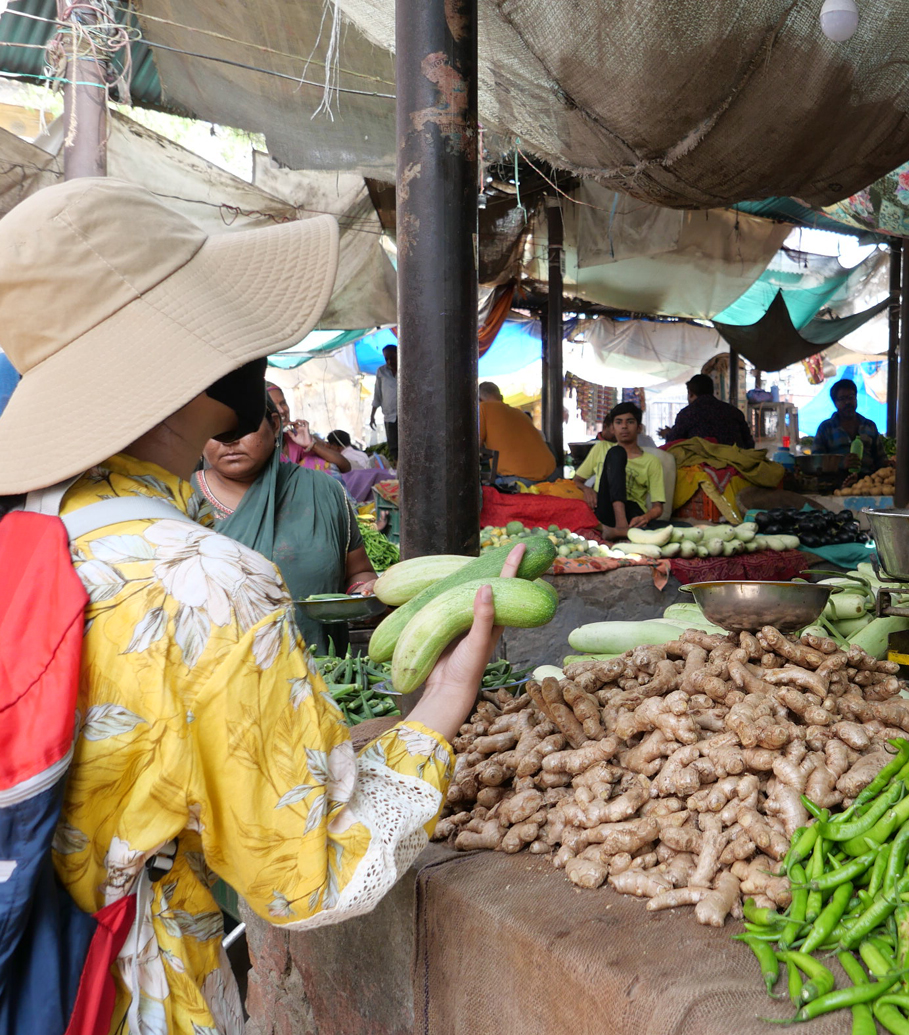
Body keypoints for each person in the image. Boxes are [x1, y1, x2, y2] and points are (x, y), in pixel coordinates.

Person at [0, 177, 520, 1034]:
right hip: (122, 999)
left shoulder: (40, 524)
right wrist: (438, 712)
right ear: (181, 358)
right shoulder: (202, 579)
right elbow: (308, 872)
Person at [195, 400, 377, 646]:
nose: (229, 440)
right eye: (214, 428)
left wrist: (364, 592)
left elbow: (358, 572)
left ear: (275, 424)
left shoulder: (323, 491)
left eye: (243, 426)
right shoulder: (180, 499)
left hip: (323, 674)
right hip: (215, 675)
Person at [574, 401, 667, 539]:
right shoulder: (601, 448)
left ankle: (618, 531)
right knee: (617, 452)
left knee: (683, 529)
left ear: (639, 428)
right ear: (612, 428)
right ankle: (622, 528)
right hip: (605, 507)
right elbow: (577, 480)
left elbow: (658, 507)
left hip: (633, 512)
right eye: (618, 422)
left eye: (630, 422)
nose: (624, 426)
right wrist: (587, 489)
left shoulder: (651, 461)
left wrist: (646, 517)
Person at [478, 380, 557, 483]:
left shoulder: (482, 408)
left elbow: (474, 446)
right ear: (501, 397)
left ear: (479, 399)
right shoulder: (520, 413)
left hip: (522, 479)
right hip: (552, 474)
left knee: (481, 492)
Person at [265, 382, 350, 473]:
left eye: (283, 403)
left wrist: (311, 444)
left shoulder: (293, 440)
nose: (282, 410)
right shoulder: (257, 447)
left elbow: (345, 466)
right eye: (274, 406)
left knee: (314, 462)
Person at [660, 373, 755, 448]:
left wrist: (667, 434)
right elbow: (749, 443)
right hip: (735, 464)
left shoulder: (687, 413)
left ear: (690, 393)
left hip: (702, 467)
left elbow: (673, 442)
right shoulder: (734, 412)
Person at [813, 378, 886, 472]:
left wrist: (887, 464)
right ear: (835, 403)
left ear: (856, 398)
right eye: (842, 399)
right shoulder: (826, 428)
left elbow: (880, 458)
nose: (847, 402)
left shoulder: (869, 426)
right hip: (835, 483)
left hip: (868, 483)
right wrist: (840, 463)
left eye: (851, 397)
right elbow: (816, 460)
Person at [370, 342, 399, 462]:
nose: (389, 361)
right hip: (390, 416)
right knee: (394, 448)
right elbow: (377, 394)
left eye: (391, 357)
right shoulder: (381, 371)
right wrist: (372, 415)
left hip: (407, 416)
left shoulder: (407, 369)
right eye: (386, 358)